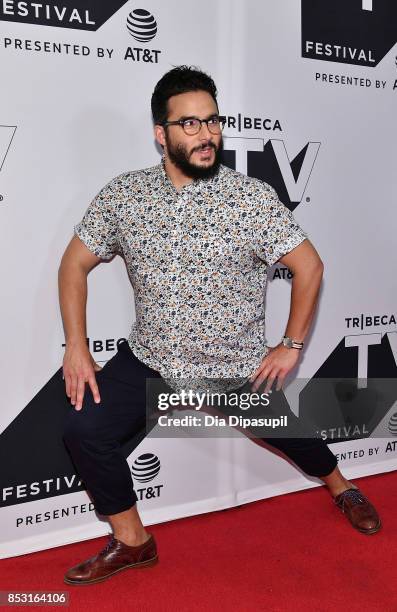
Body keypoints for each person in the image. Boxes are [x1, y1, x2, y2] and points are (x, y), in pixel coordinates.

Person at [58, 65, 381, 586]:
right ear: (160, 134)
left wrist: (291, 344)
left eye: (212, 121)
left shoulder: (250, 198)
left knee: (297, 439)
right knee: (84, 431)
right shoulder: (125, 196)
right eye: (190, 124)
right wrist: (77, 345)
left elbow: (310, 266)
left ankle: (343, 487)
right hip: (152, 361)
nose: (207, 135)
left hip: (232, 370)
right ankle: (134, 541)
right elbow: (73, 264)